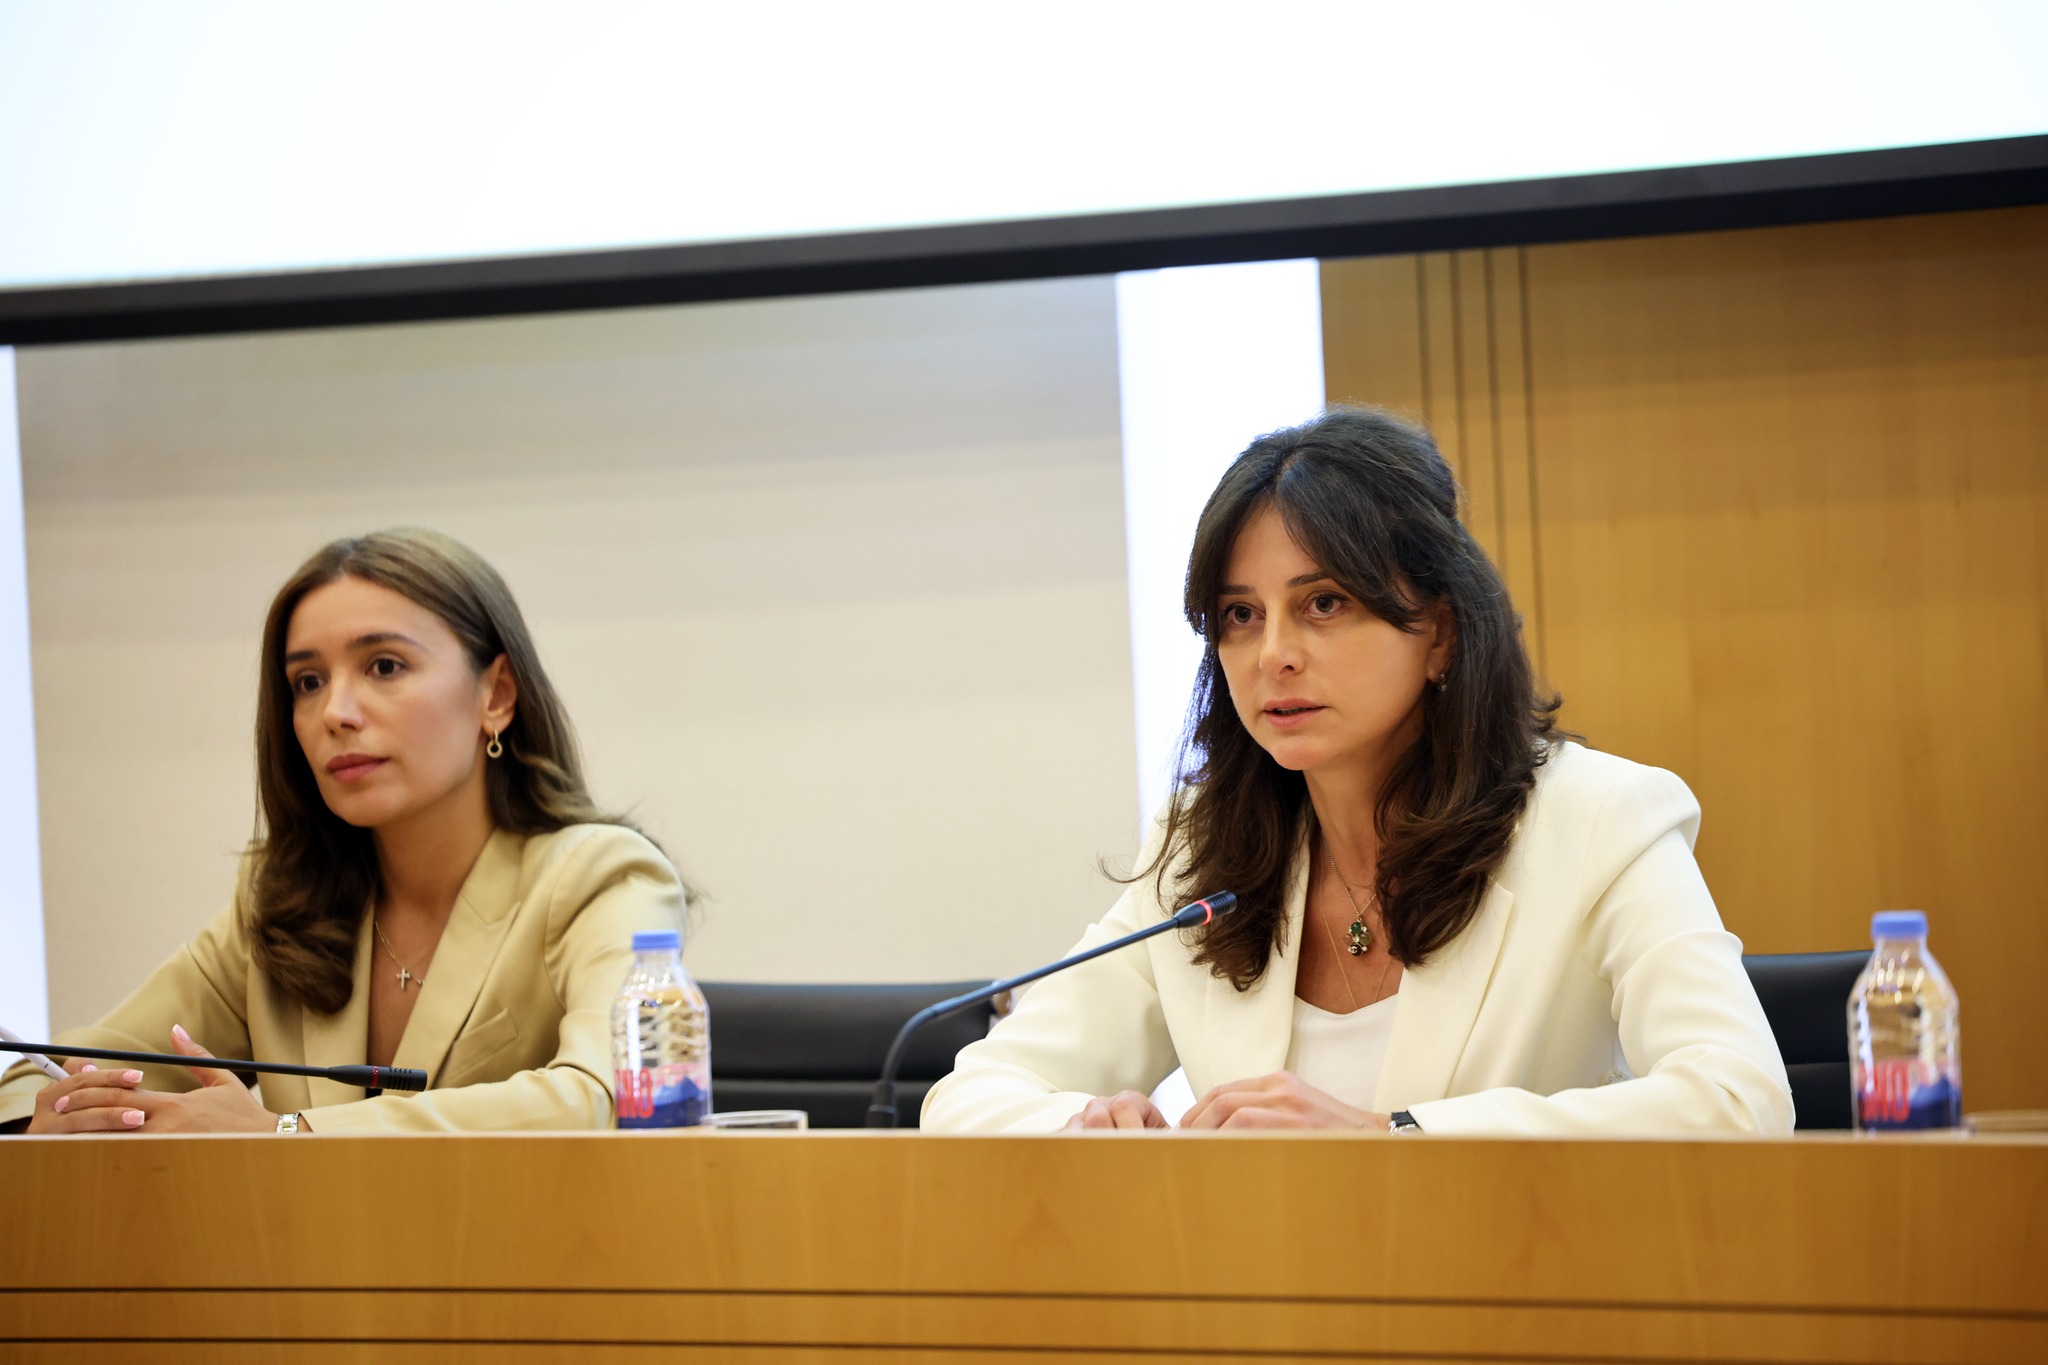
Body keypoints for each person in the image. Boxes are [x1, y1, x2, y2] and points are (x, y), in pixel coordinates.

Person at [923, 409, 1792, 1136]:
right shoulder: (1198, 855)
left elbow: (1740, 1096)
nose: (1273, 654)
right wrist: (1085, 1127)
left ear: (1440, 632)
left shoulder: (1600, 819)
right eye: (1240, 614)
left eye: (1323, 603)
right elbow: (970, 1095)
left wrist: (1394, 1137)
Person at [0, 528, 684, 1134]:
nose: (336, 711)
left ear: (496, 694)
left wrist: (287, 1133)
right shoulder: (284, 900)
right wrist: (47, 1117)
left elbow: (609, 1096)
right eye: (307, 681)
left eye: (384, 666)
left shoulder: (602, 879)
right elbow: (51, 1072)